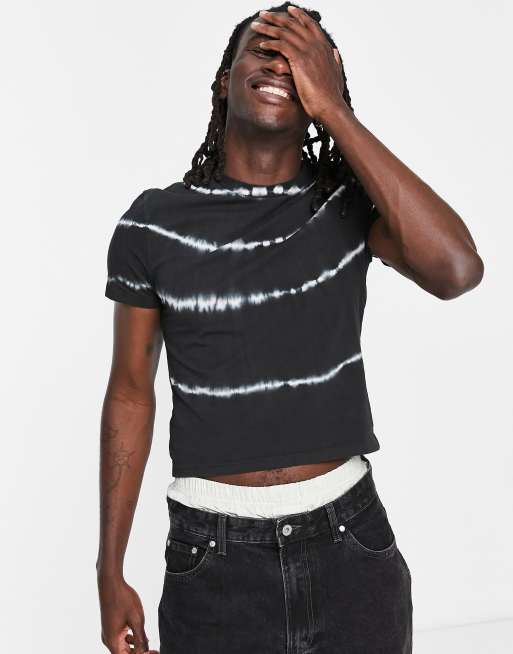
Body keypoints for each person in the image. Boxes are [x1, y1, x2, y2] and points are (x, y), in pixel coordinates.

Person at [96, 3, 484, 653]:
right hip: (212, 561)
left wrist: (335, 109)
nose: (280, 66)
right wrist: (108, 570)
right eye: (263, 50)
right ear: (224, 80)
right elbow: (130, 393)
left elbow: (457, 270)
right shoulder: (152, 225)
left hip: (350, 550)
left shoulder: (346, 206)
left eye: (301, 61)